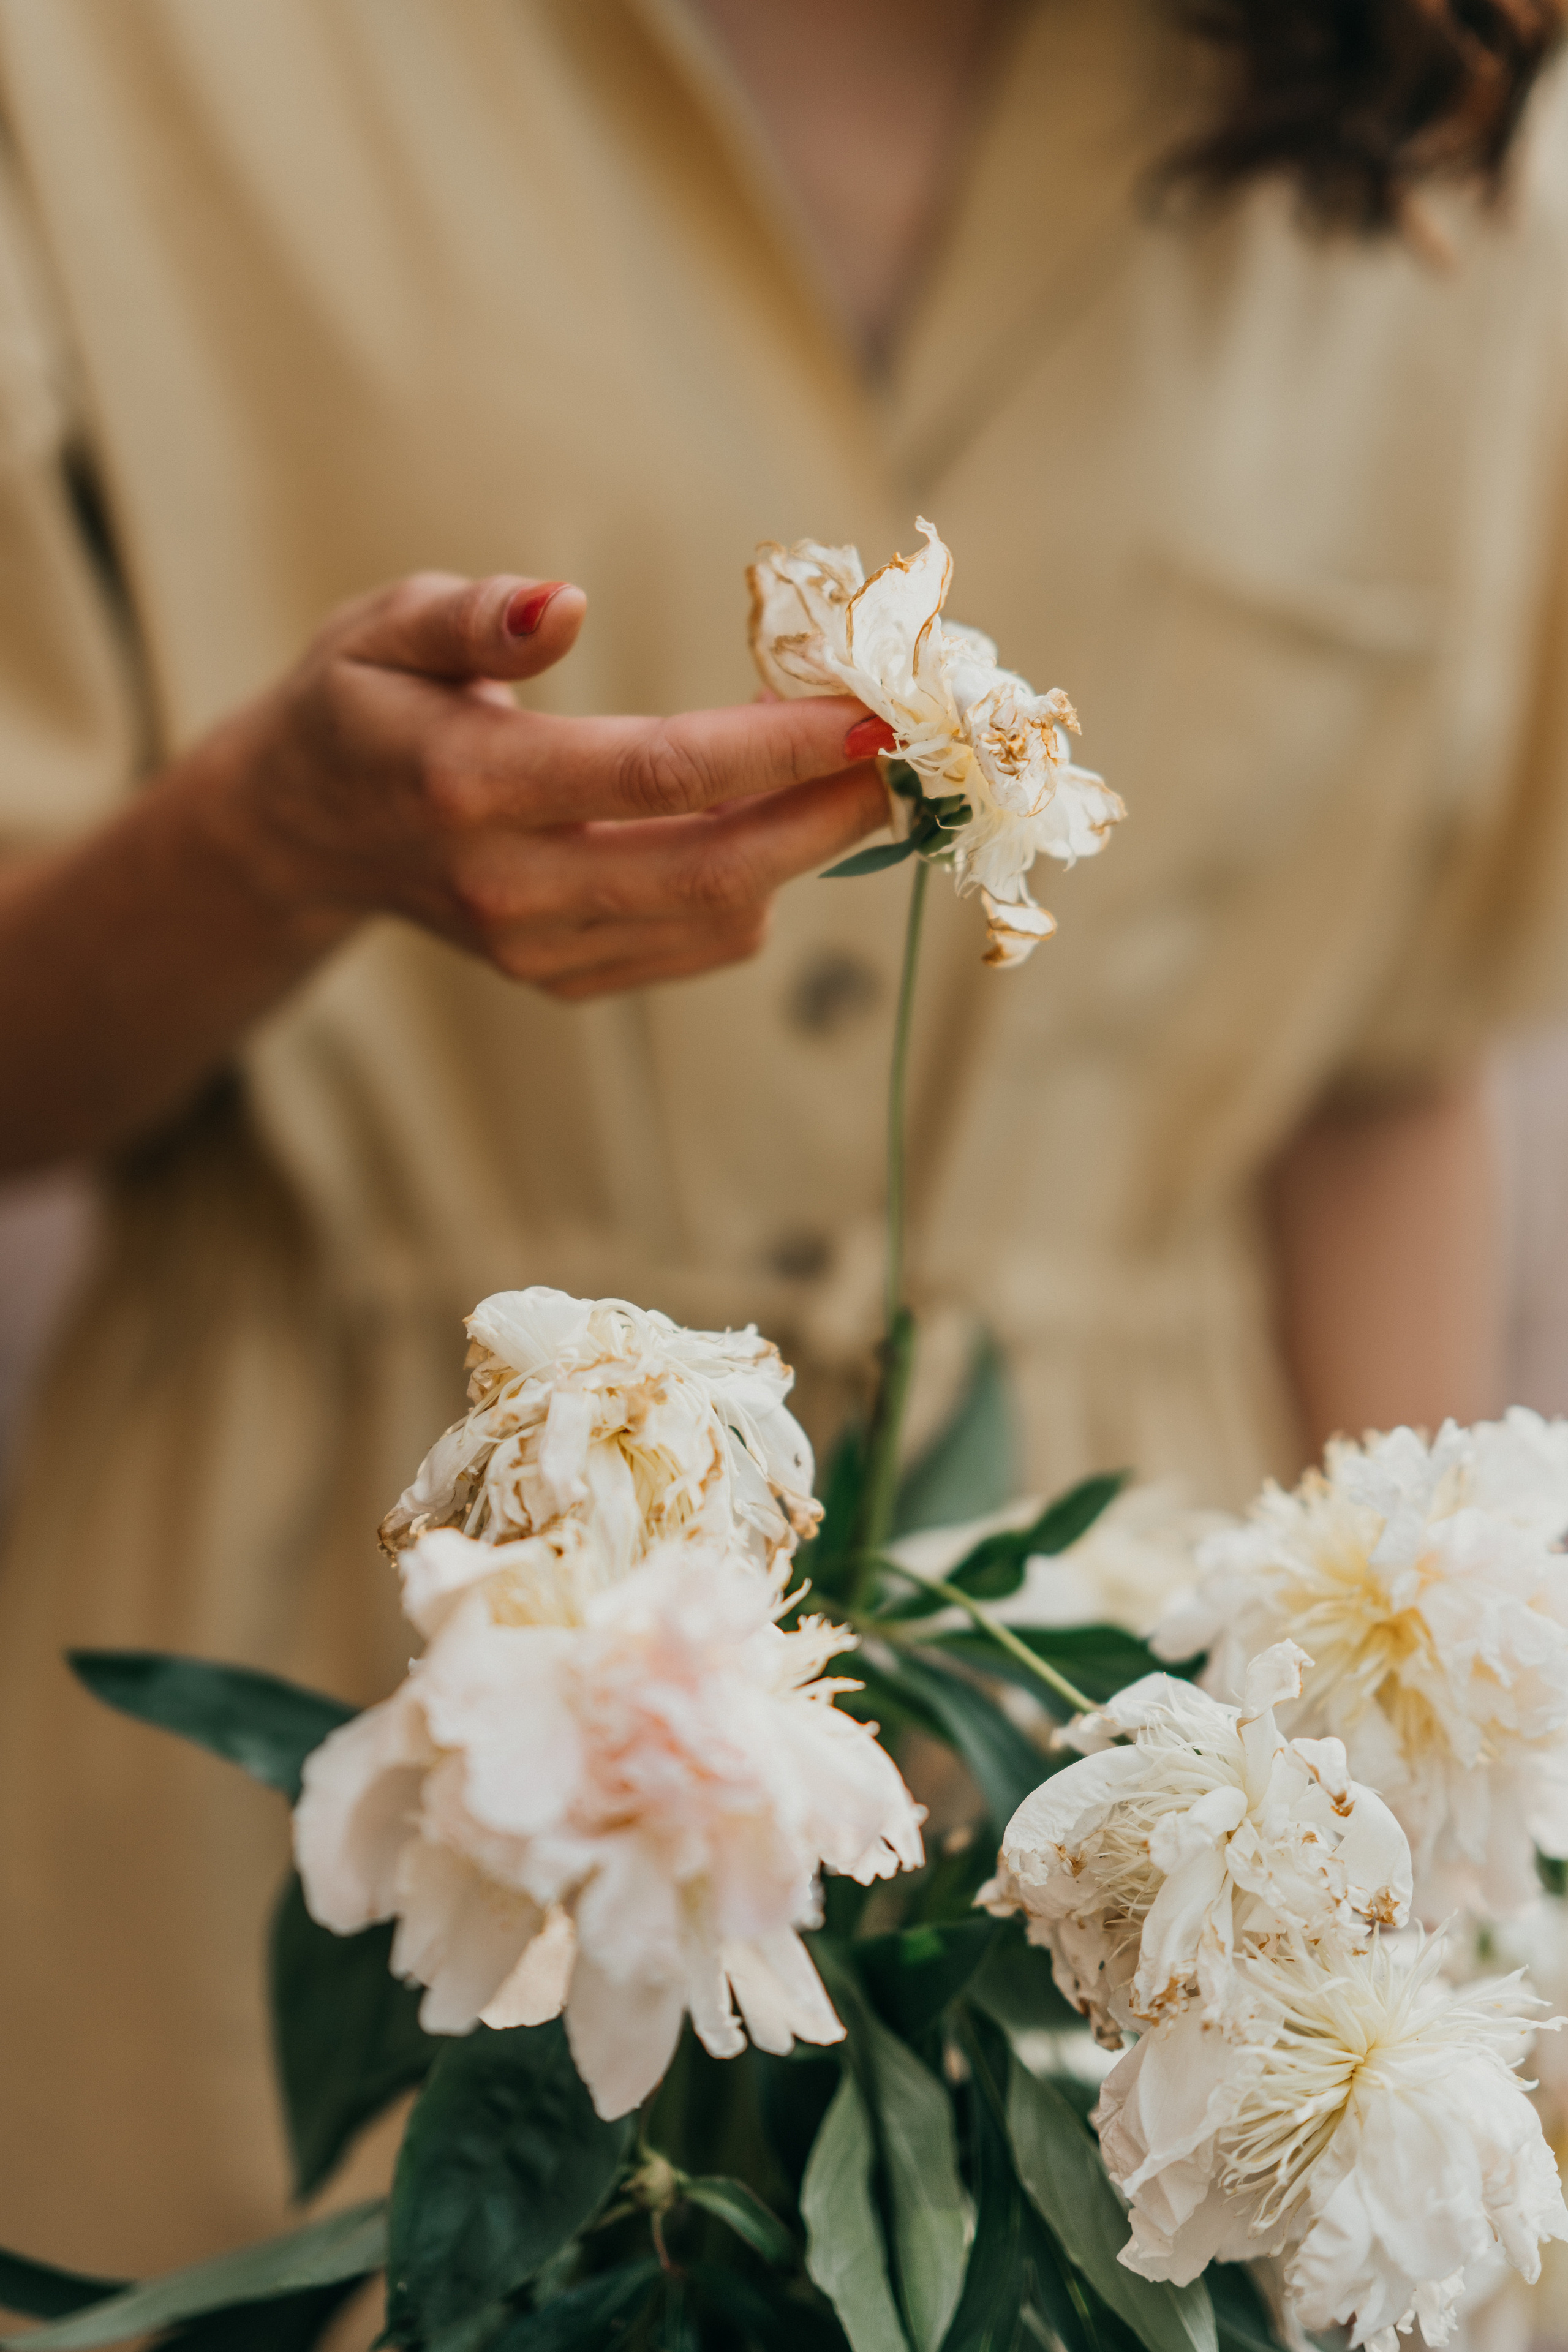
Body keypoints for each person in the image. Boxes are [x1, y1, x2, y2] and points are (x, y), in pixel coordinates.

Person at [0, 0, 1564, 2290]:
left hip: (1137, 1833)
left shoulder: (1449, 84)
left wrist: (1441, 1934)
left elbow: (1372, 1060)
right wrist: (274, 848)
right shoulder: (114, 56)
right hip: (318, 1741)